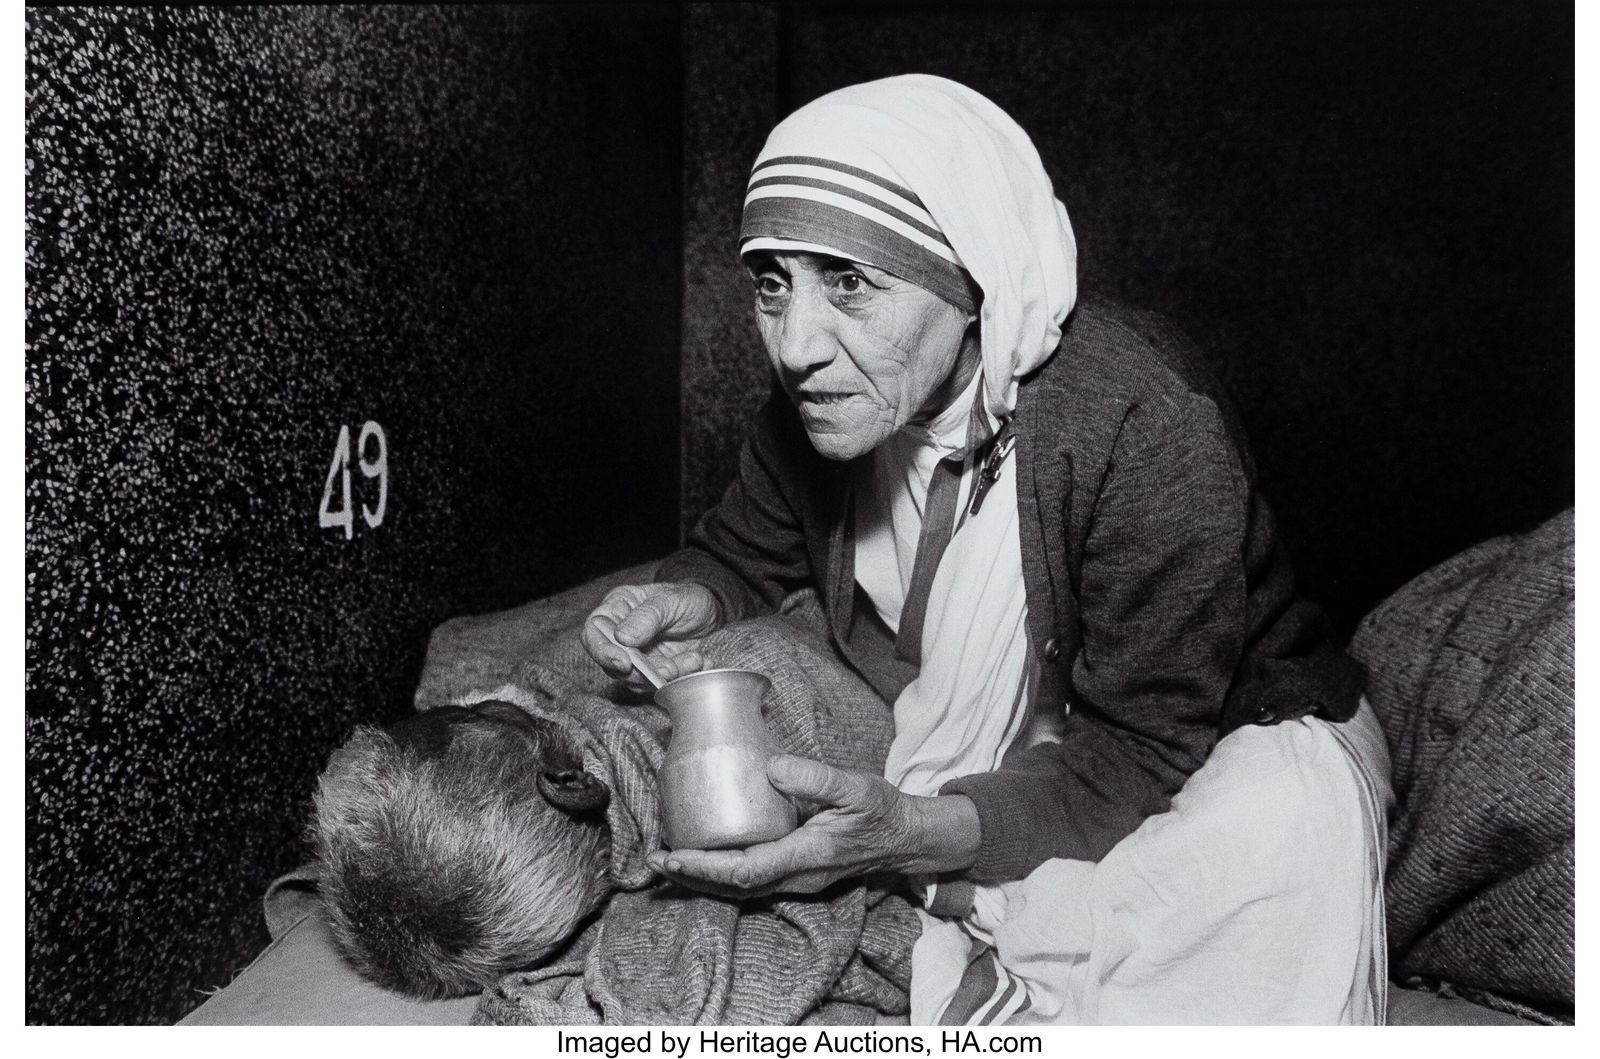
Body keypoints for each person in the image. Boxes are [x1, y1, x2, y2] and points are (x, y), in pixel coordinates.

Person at [580, 74, 1391, 1024]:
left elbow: (1137, 753)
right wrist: (686, 598)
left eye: (850, 282)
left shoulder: (1141, 423)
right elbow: (738, 550)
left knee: (1261, 855)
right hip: (1016, 758)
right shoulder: (829, 399)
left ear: (974, 279)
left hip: (1211, 745)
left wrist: (908, 834)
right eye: (773, 283)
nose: (796, 344)